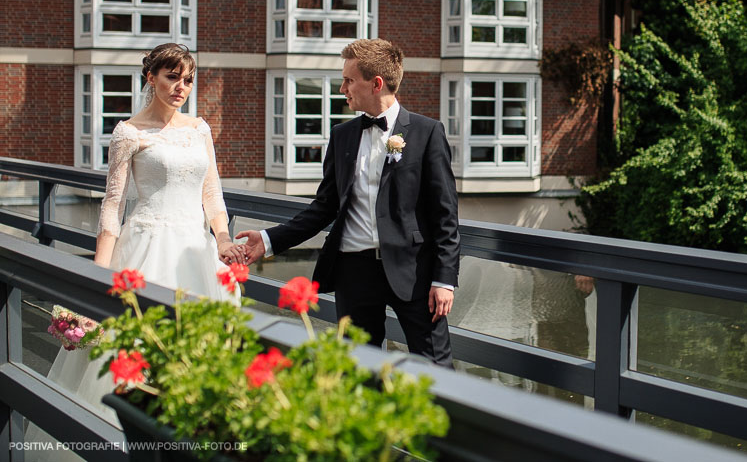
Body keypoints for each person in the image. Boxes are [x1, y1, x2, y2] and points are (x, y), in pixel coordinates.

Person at [26, 43, 243, 458]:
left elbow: (212, 194)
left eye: (188, 80)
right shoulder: (129, 132)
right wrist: (92, 283)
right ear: (151, 77)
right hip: (145, 249)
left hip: (196, 255)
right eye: (172, 78)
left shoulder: (200, 129)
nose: (181, 87)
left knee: (199, 357)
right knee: (137, 354)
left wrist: (223, 240)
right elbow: (112, 208)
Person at [237, 39, 460, 366]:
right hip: (353, 271)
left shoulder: (427, 133)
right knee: (358, 369)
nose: (343, 88)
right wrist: (270, 239)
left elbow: (445, 216)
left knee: (436, 367)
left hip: (414, 271)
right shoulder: (342, 136)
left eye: (349, 80)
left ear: (376, 83)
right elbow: (323, 207)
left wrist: (444, 280)